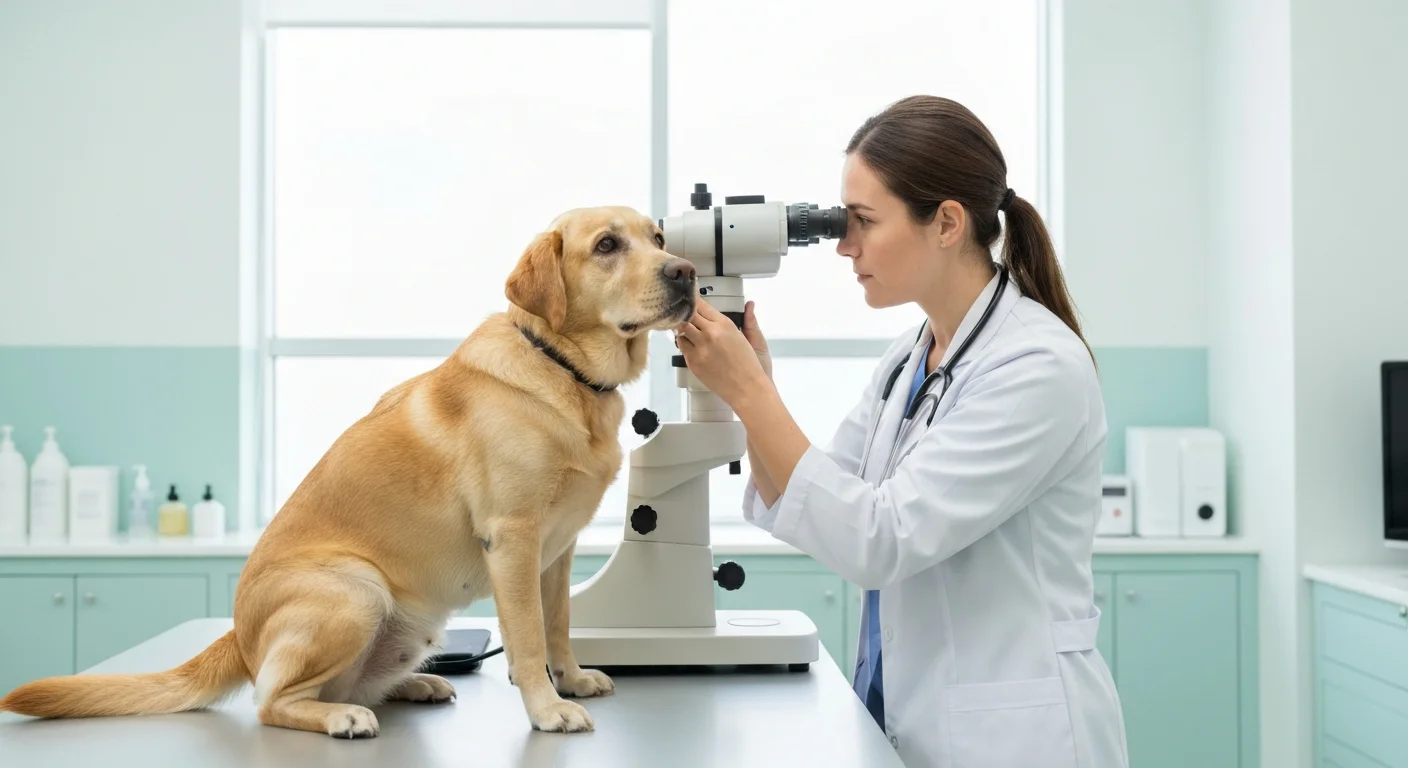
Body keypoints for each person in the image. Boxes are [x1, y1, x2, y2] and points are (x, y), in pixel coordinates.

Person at [673, 95, 1129, 768]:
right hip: (912, 721)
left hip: (1017, 738)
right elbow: (825, 495)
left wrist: (751, 389)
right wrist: (751, 395)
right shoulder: (912, 356)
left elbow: (879, 540)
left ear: (946, 223)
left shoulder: (1037, 367)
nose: (843, 246)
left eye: (862, 222)